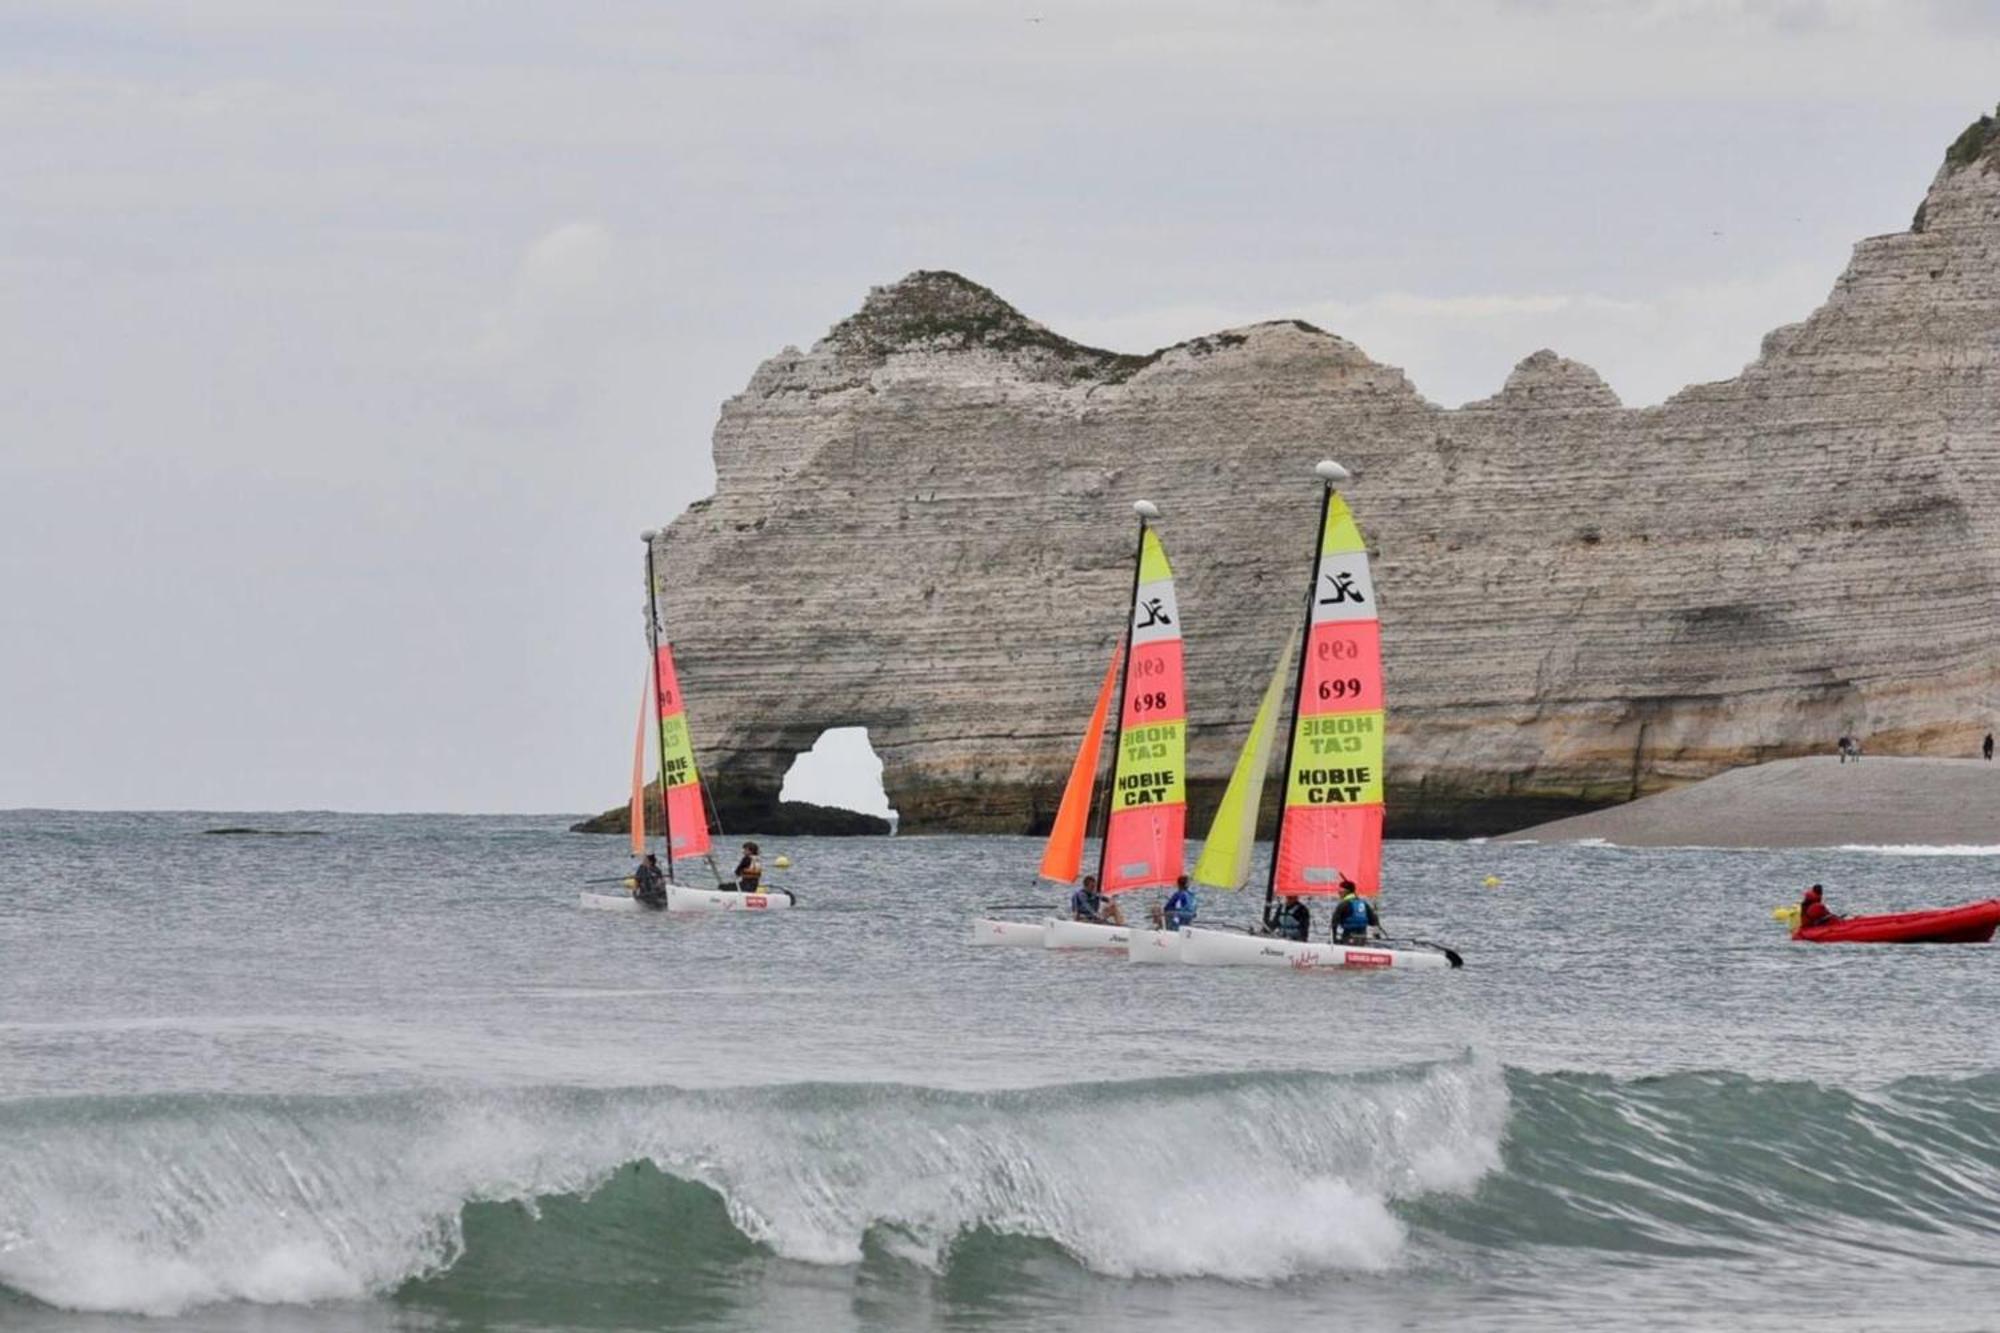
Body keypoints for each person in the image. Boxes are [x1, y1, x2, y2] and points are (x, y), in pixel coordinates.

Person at [1332, 880, 1381, 944]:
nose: (1338, 892)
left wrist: (1334, 939)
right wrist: (1377, 935)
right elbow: (1374, 920)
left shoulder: (1343, 904)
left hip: (1349, 937)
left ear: (1347, 891)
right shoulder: (1363, 903)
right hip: (1363, 938)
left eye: (1340, 890)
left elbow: (1334, 922)